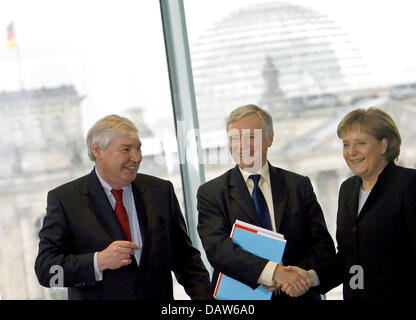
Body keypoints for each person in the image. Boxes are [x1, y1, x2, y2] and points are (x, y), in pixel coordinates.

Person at [35, 114, 211, 300]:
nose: (136, 158)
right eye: (126, 149)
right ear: (98, 151)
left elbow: (185, 259)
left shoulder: (160, 191)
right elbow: (47, 271)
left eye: (138, 148)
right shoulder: (66, 200)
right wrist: (98, 262)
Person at [197, 104, 335, 300]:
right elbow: (218, 250)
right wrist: (274, 272)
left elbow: (323, 248)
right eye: (235, 138)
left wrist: (298, 278)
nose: (243, 145)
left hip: (298, 296)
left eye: (251, 137)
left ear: (270, 138)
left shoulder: (298, 186)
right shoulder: (211, 193)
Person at [312, 107, 416, 300]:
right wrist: (311, 277)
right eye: (346, 144)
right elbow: (348, 256)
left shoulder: (409, 185)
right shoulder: (347, 190)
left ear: (383, 145)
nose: (351, 152)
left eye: (361, 143)